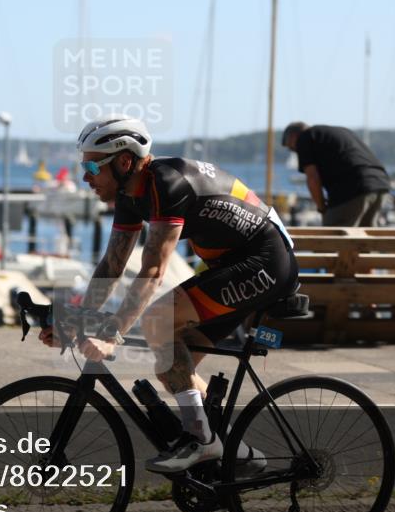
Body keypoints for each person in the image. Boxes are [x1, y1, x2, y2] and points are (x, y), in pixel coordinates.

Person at [39, 116, 299, 473]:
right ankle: (233, 454)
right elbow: (112, 265)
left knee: (158, 321)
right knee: (173, 367)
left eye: (92, 166)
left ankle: (202, 441)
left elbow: (153, 271)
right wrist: (78, 320)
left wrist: (111, 335)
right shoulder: (131, 193)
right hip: (232, 264)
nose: (85, 176)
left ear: (124, 162)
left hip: (266, 262)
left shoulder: (167, 184)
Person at [282, 122, 391, 227]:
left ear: (293, 136)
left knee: (332, 235)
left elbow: (312, 178)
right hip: (380, 184)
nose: (295, 151)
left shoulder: (304, 137)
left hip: (353, 188)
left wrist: (322, 208)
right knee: (366, 236)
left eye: (291, 148)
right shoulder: (341, 132)